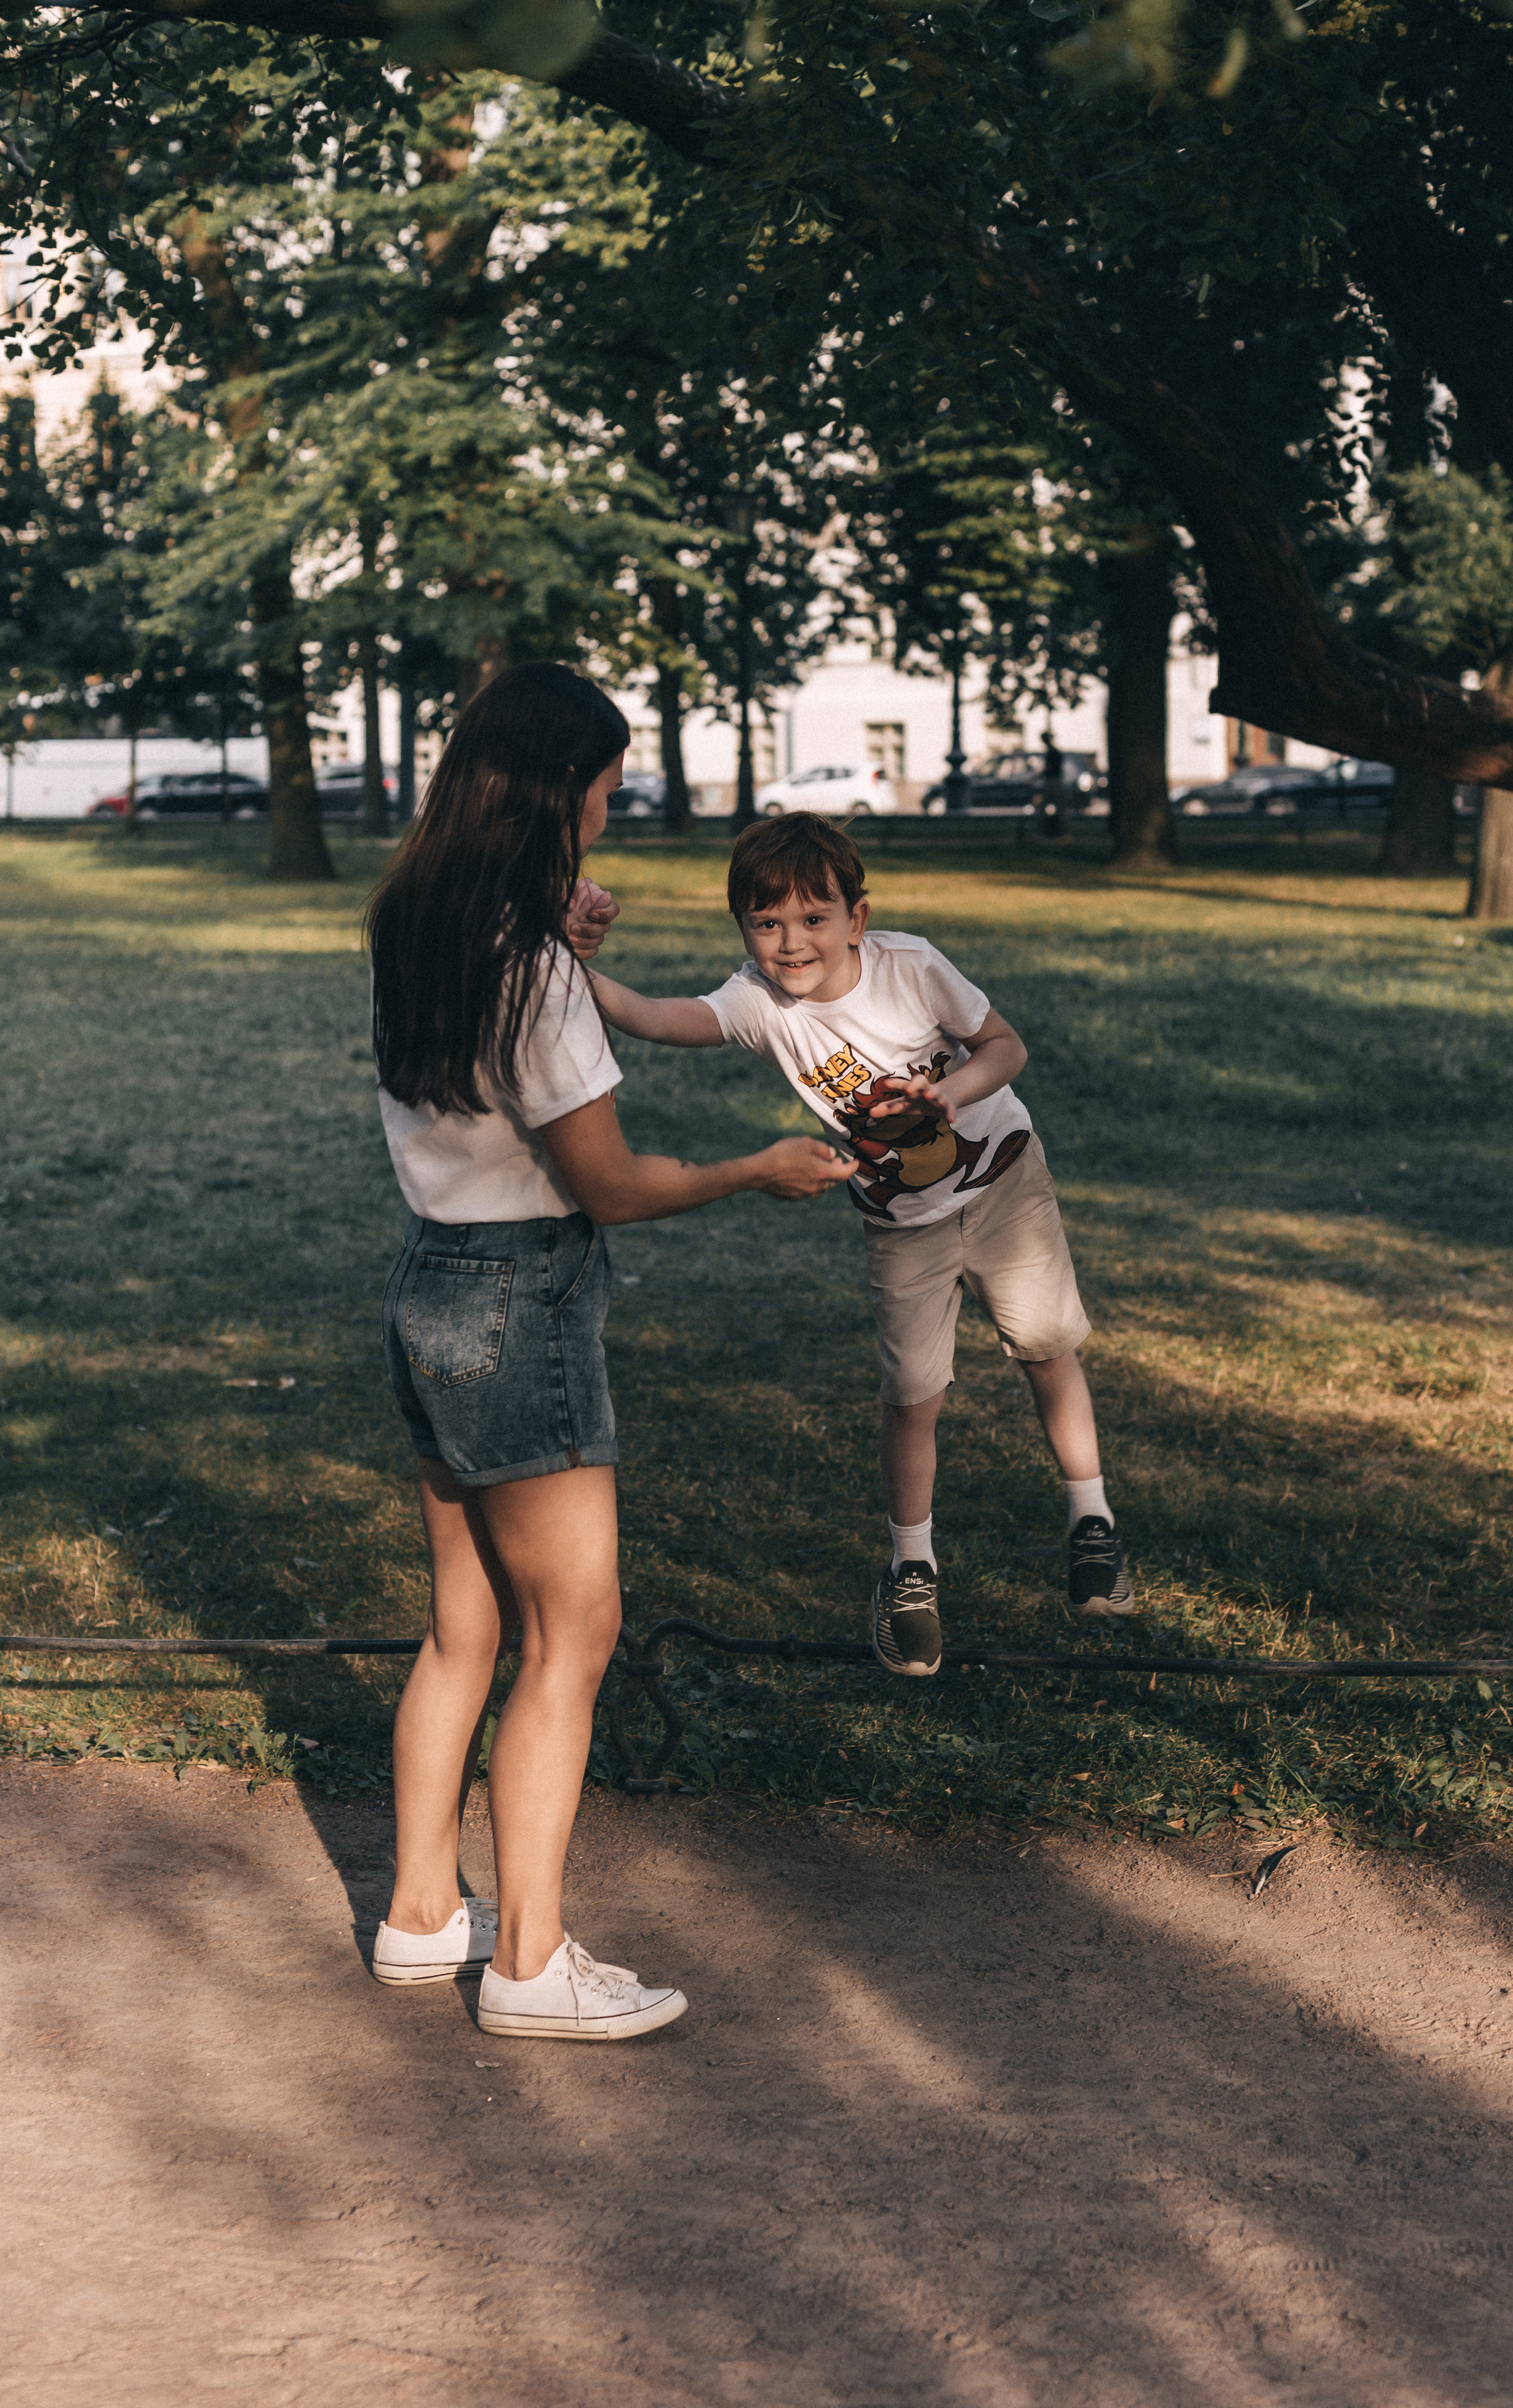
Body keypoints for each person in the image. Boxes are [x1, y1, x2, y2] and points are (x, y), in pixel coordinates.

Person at [364, 667, 852, 2040]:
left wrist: (560, 934)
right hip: (521, 1295)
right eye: (603, 789)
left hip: (430, 1279)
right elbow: (613, 1186)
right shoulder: (532, 975)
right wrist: (756, 1168)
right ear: (555, 792)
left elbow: (504, 1016)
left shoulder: (420, 920)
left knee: (464, 1625)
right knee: (573, 1634)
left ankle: (421, 1917)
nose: (608, 810)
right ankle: (530, 1963)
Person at [590, 811, 1133, 1679]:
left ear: (857, 918)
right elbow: (655, 1018)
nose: (791, 942)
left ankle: (1092, 1520)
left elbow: (1006, 1046)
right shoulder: (758, 1003)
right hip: (902, 1226)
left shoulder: (910, 966)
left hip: (1003, 1182)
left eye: (814, 918)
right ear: (742, 930)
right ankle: (911, 1570)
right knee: (914, 1393)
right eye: (767, 923)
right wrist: (571, 968)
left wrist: (954, 1092)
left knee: (1046, 1345)